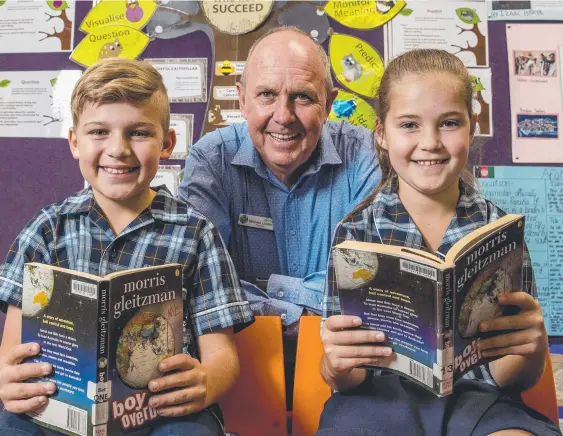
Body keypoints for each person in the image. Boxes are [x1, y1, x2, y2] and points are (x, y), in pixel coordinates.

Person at [0, 58, 254, 436]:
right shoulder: (46, 230)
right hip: (64, 404)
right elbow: (13, 350)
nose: (118, 149)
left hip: (162, 411)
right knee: (13, 423)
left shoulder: (196, 233)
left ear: (167, 143)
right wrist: (10, 379)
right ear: (74, 142)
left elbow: (222, 356)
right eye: (99, 132)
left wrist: (205, 381)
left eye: (138, 133)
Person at [317, 49, 560, 436]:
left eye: (448, 123)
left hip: (480, 400)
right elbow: (346, 378)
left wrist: (531, 348)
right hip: (377, 403)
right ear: (381, 133)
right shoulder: (355, 233)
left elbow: (510, 378)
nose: (429, 142)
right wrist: (336, 365)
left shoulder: (498, 231)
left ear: (471, 125)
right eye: (409, 125)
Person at [178, 27, 379, 406]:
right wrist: (310, 305)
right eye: (267, 94)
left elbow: (368, 284)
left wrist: (261, 299)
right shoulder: (211, 160)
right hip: (236, 370)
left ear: (330, 101)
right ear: (242, 98)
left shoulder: (365, 155)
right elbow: (198, 285)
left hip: (350, 375)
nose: (283, 116)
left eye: (302, 97)